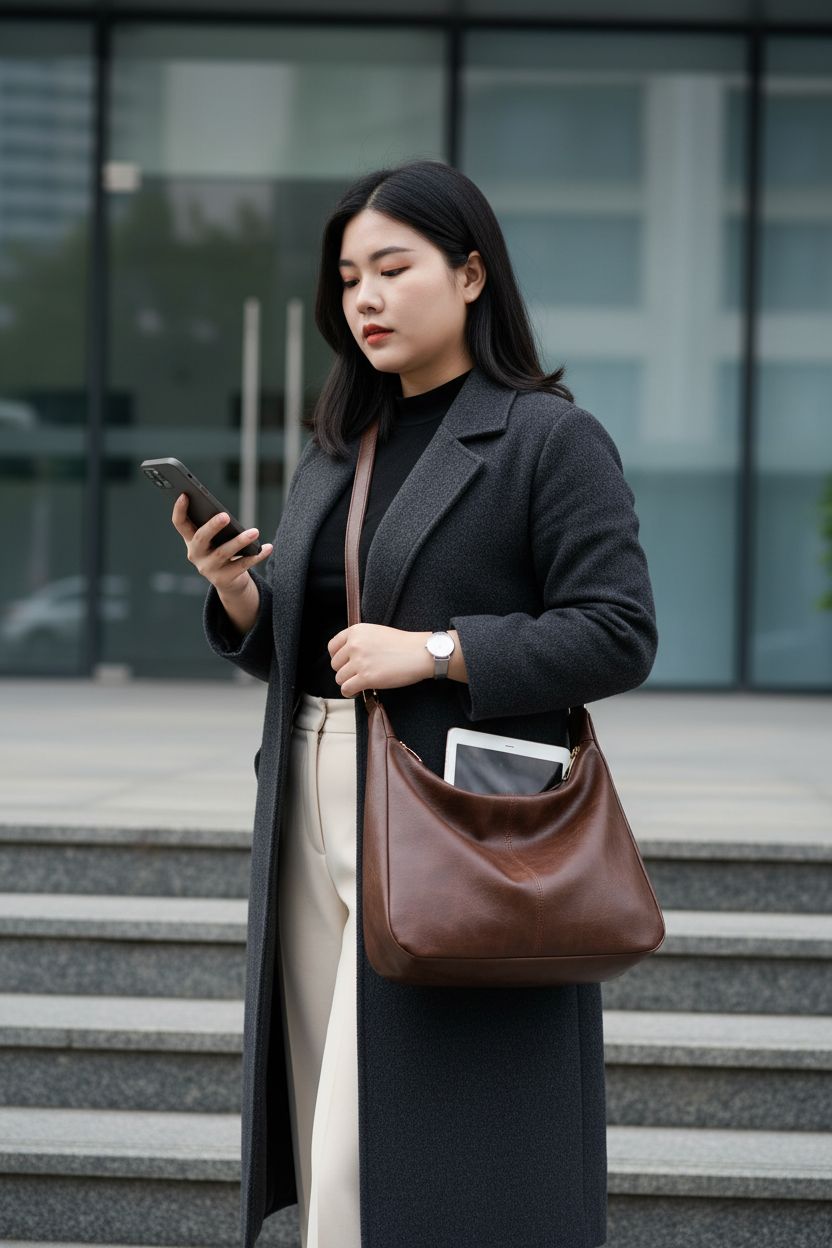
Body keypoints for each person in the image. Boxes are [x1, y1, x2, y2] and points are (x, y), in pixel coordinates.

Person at [173, 158, 657, 1248]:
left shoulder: (546, 439)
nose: (367, 300)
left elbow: (619, 631)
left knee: (371, 1141)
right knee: (322, 1107)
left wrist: (438, 651)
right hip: (309, 798)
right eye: (348, 279)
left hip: (453, 813)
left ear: (472, 273)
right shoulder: (340, 450)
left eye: (394, 268)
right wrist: (243, 597)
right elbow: (317, 654)